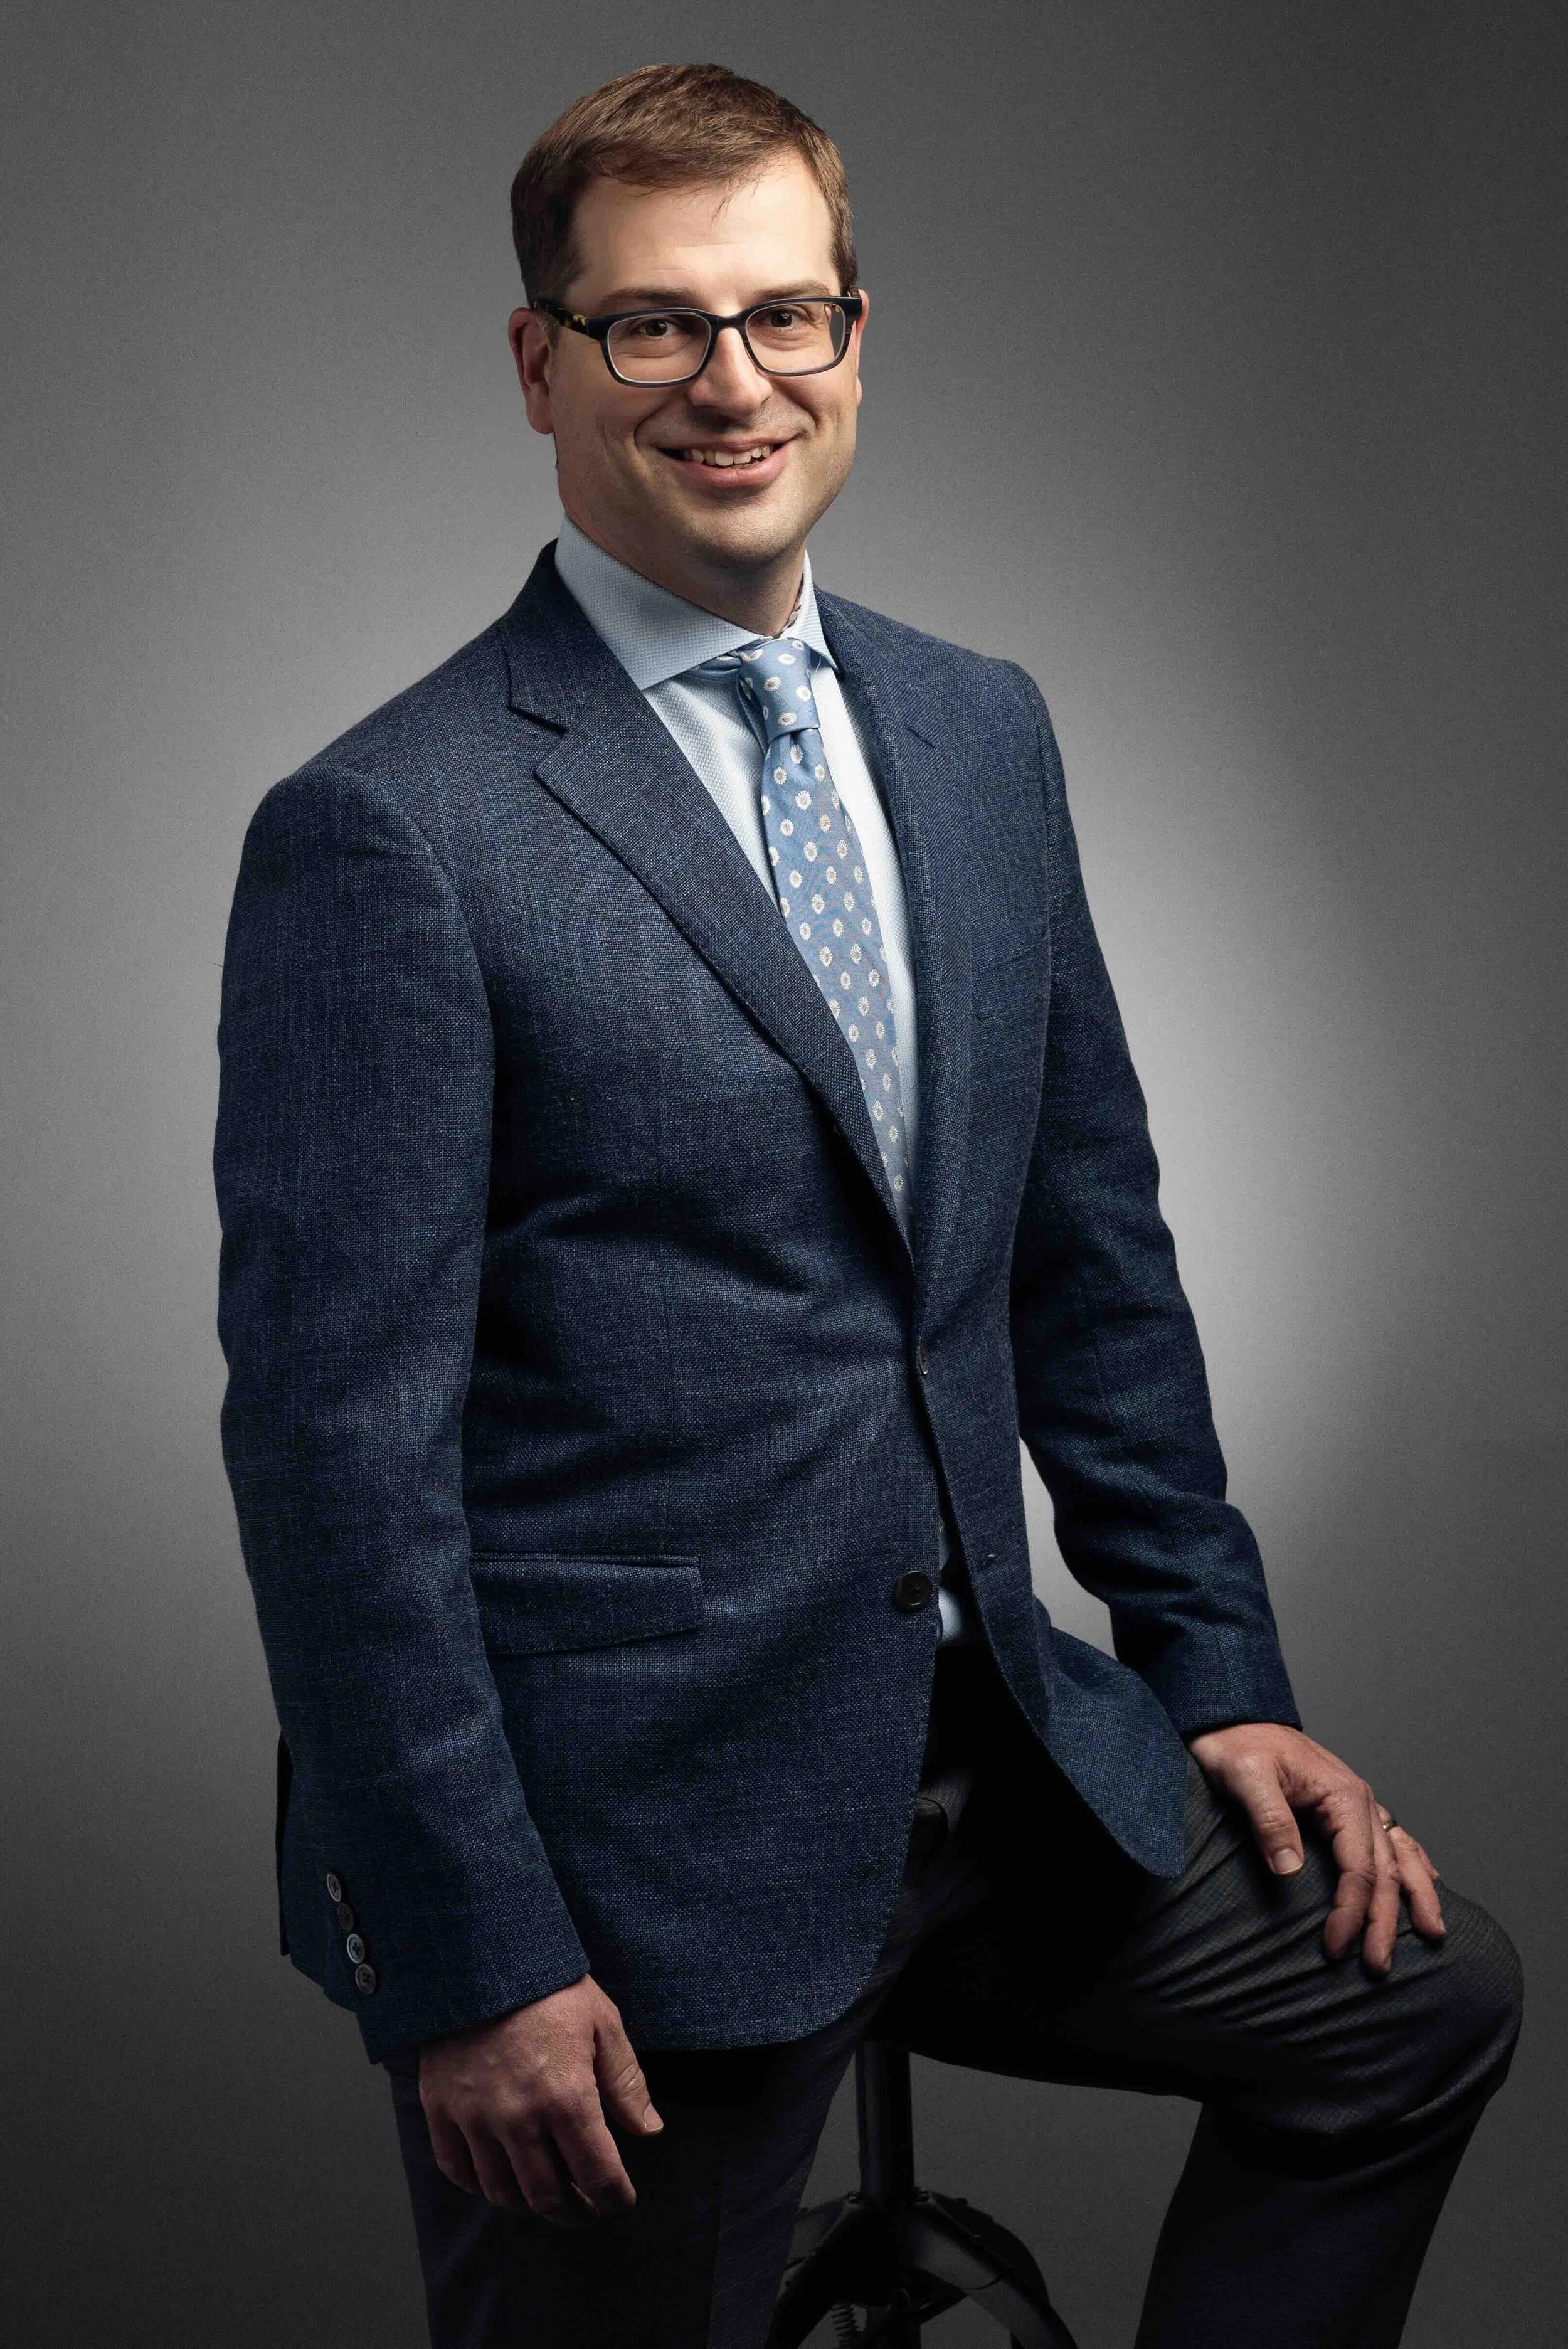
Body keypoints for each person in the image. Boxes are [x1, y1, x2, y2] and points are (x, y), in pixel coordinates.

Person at [212, 61, 1522, 2349]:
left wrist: (1216, 1681)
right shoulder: (394, 830)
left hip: (991, 1769)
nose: (733, 383)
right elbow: (338, 1471)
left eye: (783, 315)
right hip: (627, 1858)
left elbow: (1085, 1250)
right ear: (538, 359)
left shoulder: (976, 729)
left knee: (1408, 2009)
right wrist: (476, 1957)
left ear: (852, 334)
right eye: (653, 326)